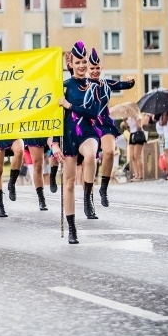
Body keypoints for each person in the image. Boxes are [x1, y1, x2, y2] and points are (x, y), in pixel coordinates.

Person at [58, 42, 102, 244]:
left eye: (85, 61)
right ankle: (72, 228)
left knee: (91, 155)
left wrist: (70, 105)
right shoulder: (63, 87)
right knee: (68, 184)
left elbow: (93, 111)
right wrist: (52, 143)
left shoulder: (94, 85)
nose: (83, 65)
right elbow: (51, 117)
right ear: (71, 64)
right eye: (79, 62)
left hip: (87, 131)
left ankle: (87, 195)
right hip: (68, 135)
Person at [86, 48, 135, 207]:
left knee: (108, 152)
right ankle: (88, 193)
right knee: (90, 159)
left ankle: (103, 189)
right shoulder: (82, 85)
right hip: (87, 123)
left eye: (97, 68)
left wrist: (131, 81)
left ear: (101, 68)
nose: (94, 71)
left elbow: (124, 85)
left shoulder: (106, 84)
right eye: (91, 68)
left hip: (104, 122)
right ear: (87, 68)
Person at [124, 111, 146, 181]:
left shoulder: (138, 116)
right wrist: (126, 122)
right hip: (132, 135)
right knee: (132, 157)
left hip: (138, 135)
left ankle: (140, 175)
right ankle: (136, 175)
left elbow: (139, 127)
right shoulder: (129, 118)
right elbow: (129, 129)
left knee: (137, 156)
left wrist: (135, 119)